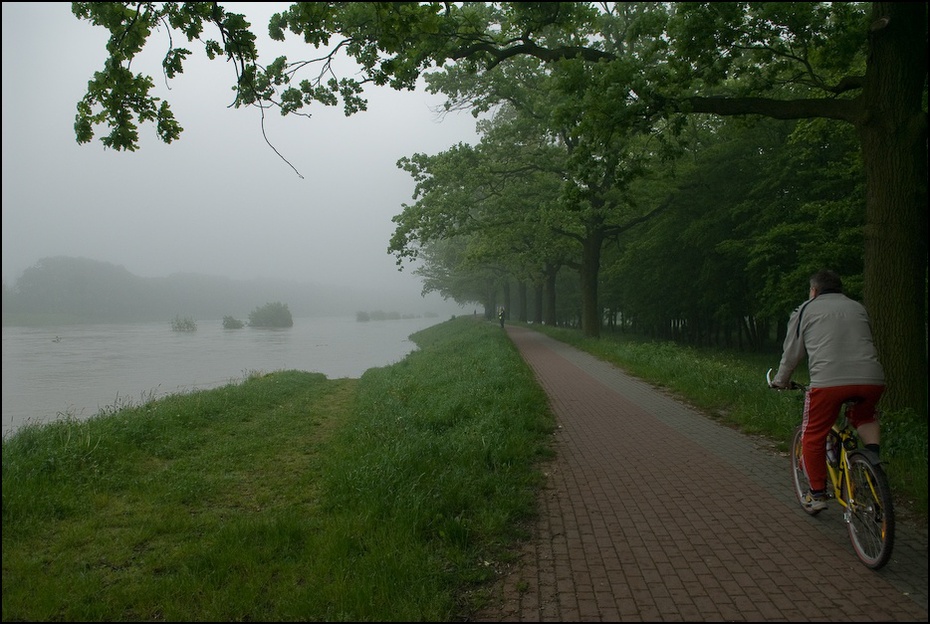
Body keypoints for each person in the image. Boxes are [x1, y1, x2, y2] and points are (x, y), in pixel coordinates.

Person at [770, 269, 885, 511]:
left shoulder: (806, 309)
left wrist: (780, 381)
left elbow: (792, 354)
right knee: (864, 417)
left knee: (812, 434)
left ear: (814, 290)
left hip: (829, 383)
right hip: (871, 379)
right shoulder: (858, 307)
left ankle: (817, 494)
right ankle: (873, 465)